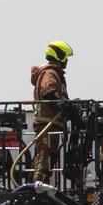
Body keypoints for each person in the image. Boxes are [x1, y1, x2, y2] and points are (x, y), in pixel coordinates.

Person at [29, 41, 73, 183]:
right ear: (59, 56)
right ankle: (37, 187)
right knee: (44, 157)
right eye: (65, 57)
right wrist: (63, 106)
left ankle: (38, 184)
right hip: (47, 123)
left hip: (51, 123)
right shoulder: (50, 73)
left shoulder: (53, 73)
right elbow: (49, 92)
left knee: (48, 157)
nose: (66, 61)